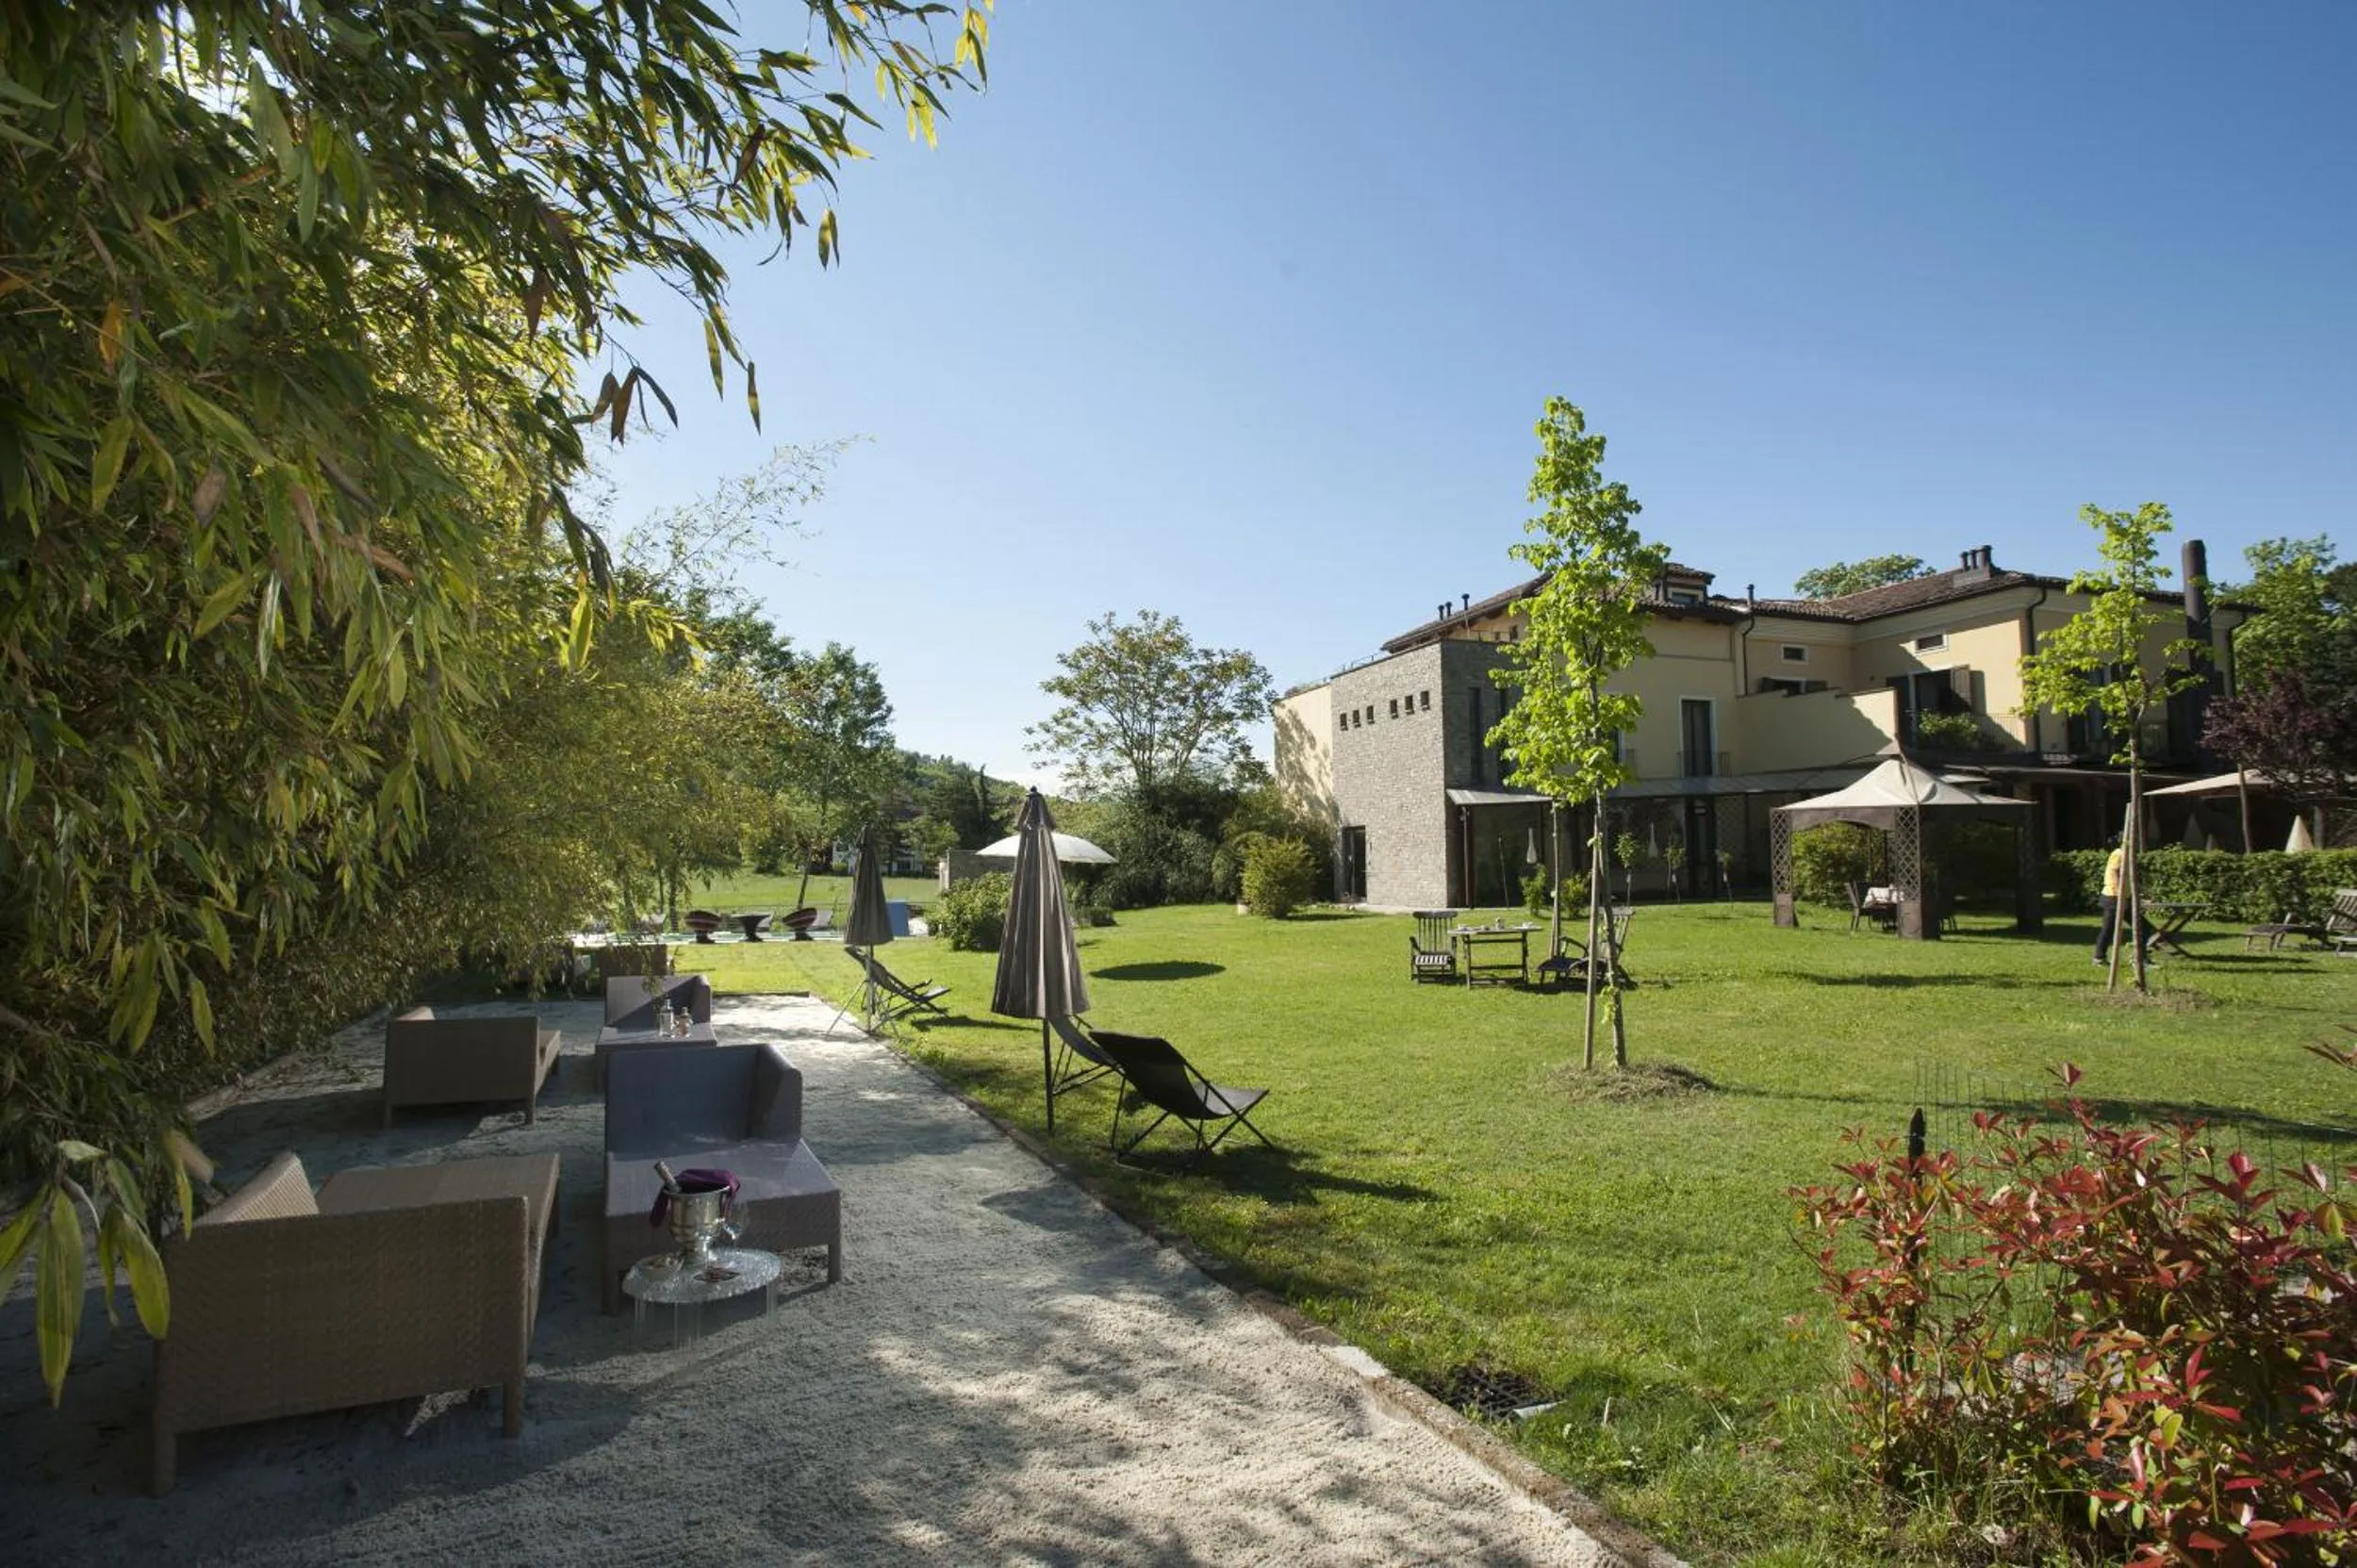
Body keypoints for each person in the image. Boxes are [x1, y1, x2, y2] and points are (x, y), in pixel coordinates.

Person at [2093, 835, 2155, 966]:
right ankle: (2099, 958)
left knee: (2143, 927)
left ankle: (2139, 958)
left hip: (2124, 897)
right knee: (2109, 929)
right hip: (2113, 897)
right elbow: (2115, 874)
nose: (2136, 844)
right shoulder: (2119, 854)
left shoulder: (2128, 855)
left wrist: (2142, 894)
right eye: (2134, 841)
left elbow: (2129, 878)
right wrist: (2120, 896)